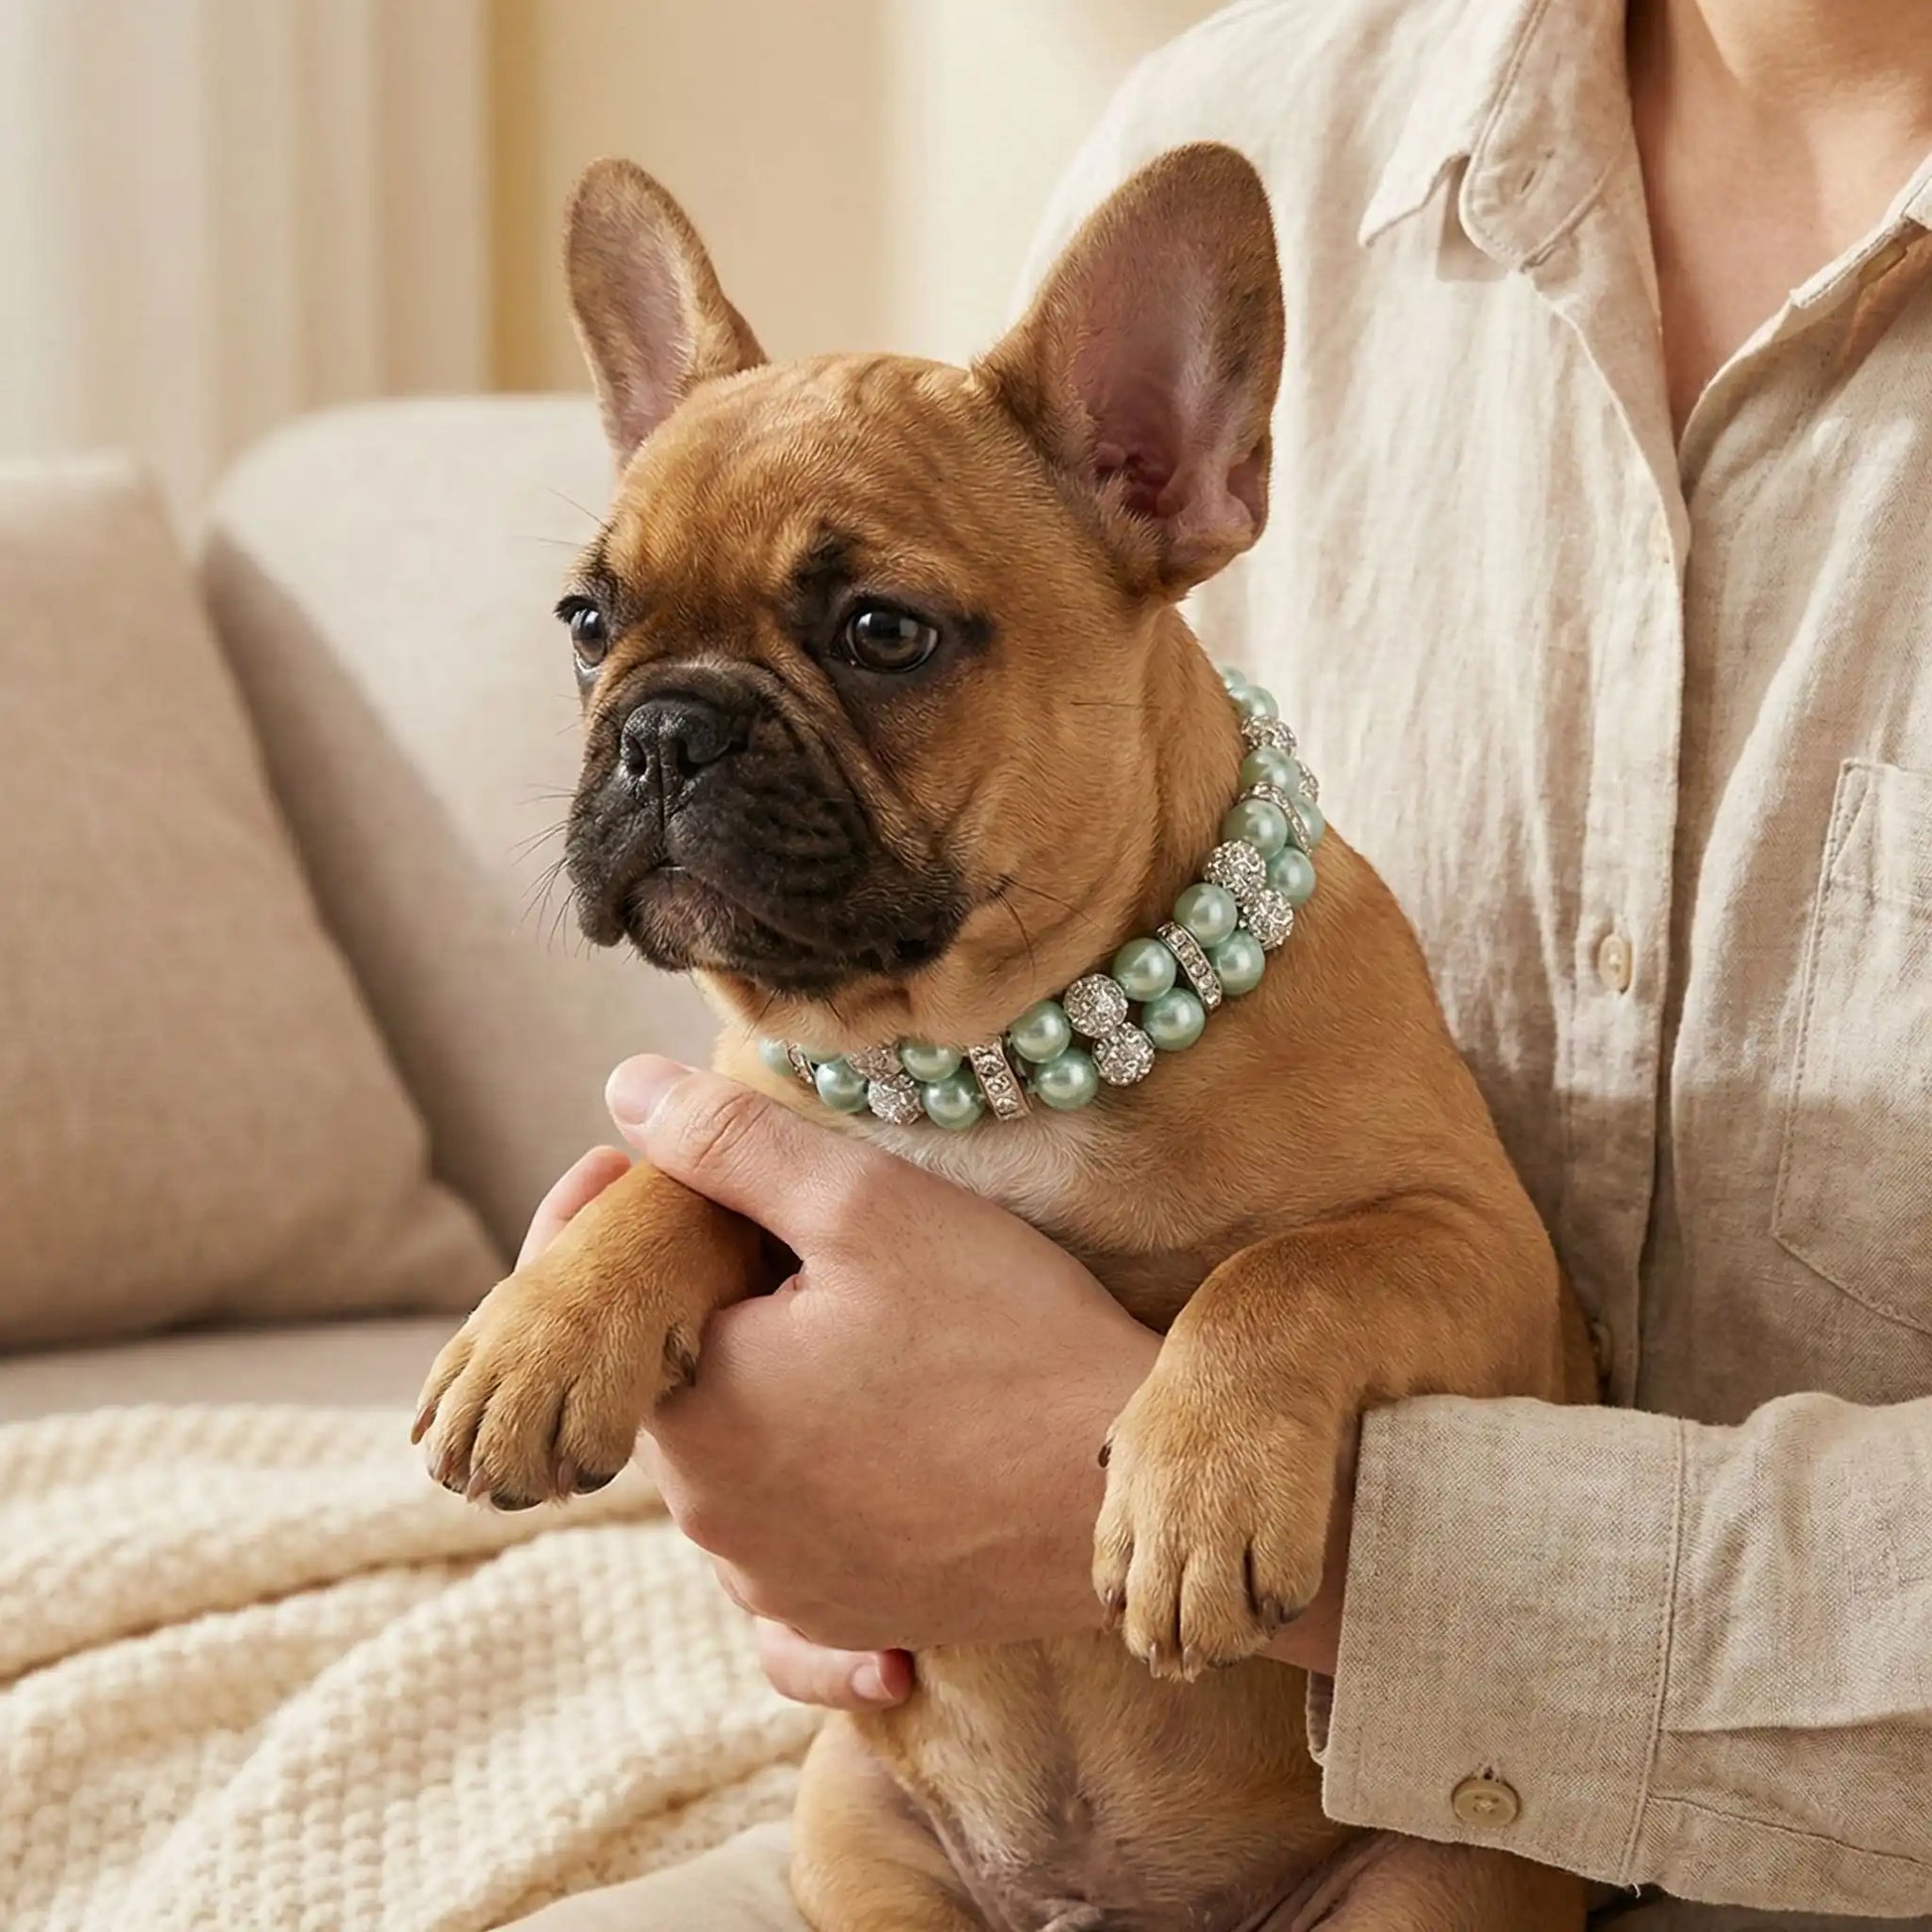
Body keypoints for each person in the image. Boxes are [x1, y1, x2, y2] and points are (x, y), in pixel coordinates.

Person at [507, 0, 1932, 1925]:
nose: (667, 736)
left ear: (1167, 464)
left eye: (875, 638)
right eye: (603, 627)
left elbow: (1432, 1249)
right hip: (934, 1812)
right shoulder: (1253, 115)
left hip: (1449, 1826)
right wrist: (752, 1406)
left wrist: (1127, 1494)